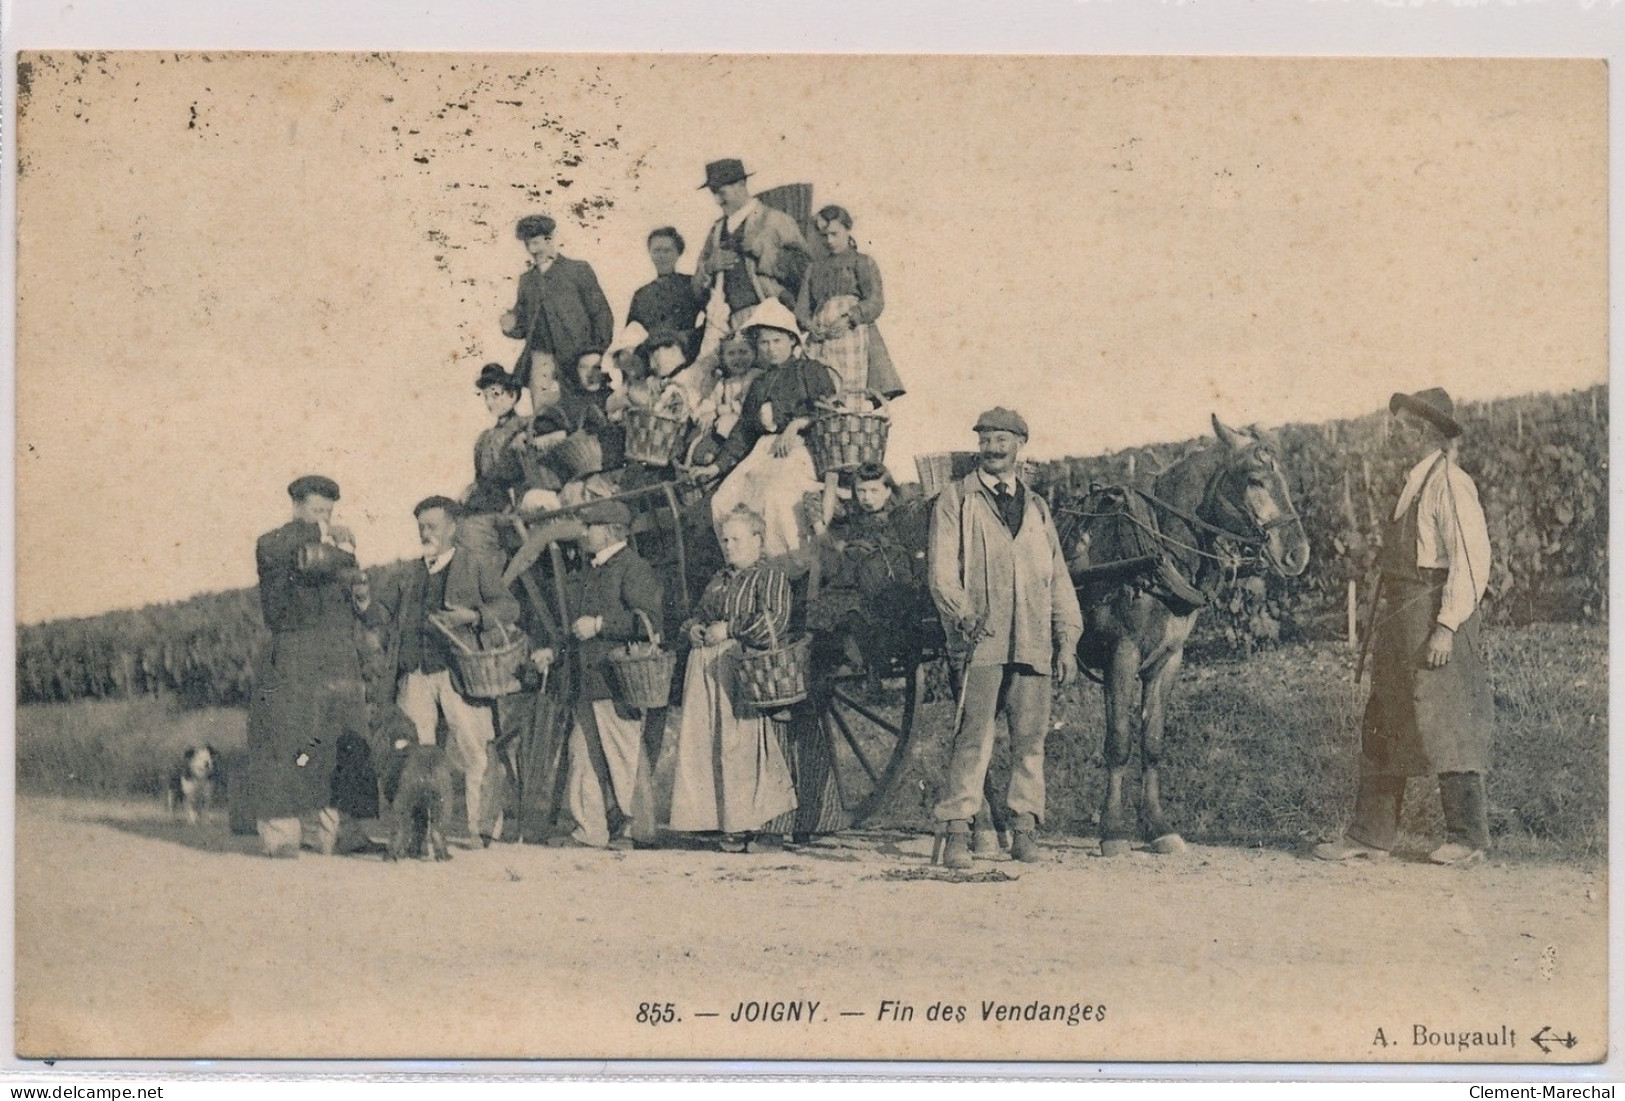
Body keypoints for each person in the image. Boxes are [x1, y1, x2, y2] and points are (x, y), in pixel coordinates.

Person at [1316, 388, 1495, 867]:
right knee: (1386, 719)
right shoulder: (1414, 481)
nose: (1394, 435)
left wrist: (1446, 626)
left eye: (1403, 428)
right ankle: (1371, 835)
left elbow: (1472, 561)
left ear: (1423, 432)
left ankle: (1468, 838)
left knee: (1448, 719)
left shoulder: (1451, 484)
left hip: (1434, 614)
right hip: (1402, 616)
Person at [928, 408, 1083, 869]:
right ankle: (958, 830)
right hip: (983, 640)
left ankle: (1024, 829)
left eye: (1001, 440)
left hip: (1033, 640)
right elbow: (941, 572)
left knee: (1030, 740)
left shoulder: (1036, 507)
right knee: (973, 736)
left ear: (1020, 445)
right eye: (985, 440)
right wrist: (962, 615)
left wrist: (1067, 639)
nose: (992, 449)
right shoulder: (957, 499)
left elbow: (1058, 578)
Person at [360, 496, 521, 845]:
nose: (425, 532)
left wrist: (474, 618)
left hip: (460, 674)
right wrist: (368, 609)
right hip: (415, 675)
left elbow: (509, 607)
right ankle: (421, 832)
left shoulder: (474, 566)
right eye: (421, 527)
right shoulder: (408, 572)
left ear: (453, 528)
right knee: (416, 759)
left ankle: (481, 828)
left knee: (476, 752)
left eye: (432, 526)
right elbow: (382, 611)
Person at [529, 499, 664, 849]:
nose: (585, 533)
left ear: (609, 531)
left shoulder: (633, 568)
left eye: (590, 527)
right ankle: (589, 831)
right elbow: (576, 629)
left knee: (624, 756)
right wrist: (554, 652)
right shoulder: (591, 571)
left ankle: (637, 831)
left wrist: (601, 625)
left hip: (616, 681)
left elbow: (649, 620)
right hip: (585, 683)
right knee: (582, 756)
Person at [247, 475, 370, 858]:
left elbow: (351, 588)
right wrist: (323, 534)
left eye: (329, 511)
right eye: (317, 510)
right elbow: (277, 550)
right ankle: (281, 835)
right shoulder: (275, 543)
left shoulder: (335, 545)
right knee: (289, 739)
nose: (326, 518)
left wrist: (361, 595)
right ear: (297, 506)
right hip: (293, 645)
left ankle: (337, 833)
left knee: (343, 738)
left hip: (337, 647)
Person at [668, 505, 798, 851]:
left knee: (738, 745)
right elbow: (697, 613)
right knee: (705, 742)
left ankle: (744, 823)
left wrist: (730, 628)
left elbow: (775, 621)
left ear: (758, 540)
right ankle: (712, 819)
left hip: (741, 666)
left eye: (736, 540)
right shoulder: (719, 578)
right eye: (725, 540)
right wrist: (694, 628)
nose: (729, 546)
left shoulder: (768, 575)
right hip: (705, 669)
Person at [706, 300, 836, 570]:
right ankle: (746, 566)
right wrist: (717, 466)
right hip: (761, 453)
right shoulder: (759, 383)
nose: (771, 349)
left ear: (792, 341)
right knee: (723, 500)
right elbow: (744, 430)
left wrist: (797, 424)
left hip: (802, 449)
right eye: (764, 343)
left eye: (777, 341)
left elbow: (831, 412)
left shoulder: (810, 370)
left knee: (774, 498)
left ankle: (789, 569)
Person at [691, 159, 810, 359]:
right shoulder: (716, 231)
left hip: (771, 320)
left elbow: (806, 270)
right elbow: (696, 289)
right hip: (731, 326)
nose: (717, 201)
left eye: (721, 193)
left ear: (741, 185)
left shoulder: (774, 221)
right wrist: (709, 268)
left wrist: (763, 252)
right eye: (714, 194)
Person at [499, 214, 615, 415]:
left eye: (536, 241)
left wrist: (597, 351)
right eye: (528, 243)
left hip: (579, 357)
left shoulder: (578, 270)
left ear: (550, 238)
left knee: (588, 415)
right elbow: (524, 325)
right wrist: (510, 325)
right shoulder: (527, 280)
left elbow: (601, 313)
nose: (532, 249)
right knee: (546, 418)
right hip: (541, 362)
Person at [794, 205, 904, 400]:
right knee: (822, 382)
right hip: (821, 338)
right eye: (823, 235)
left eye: (834, 234)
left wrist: (849, 319)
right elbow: (802, 308)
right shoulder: (814, 268)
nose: (829, 241)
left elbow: (876, 300)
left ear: (847, 229)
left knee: (851, 386)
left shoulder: (861, 262)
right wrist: (810, 326)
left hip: (851, 333)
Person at [686, 329, 761, 471]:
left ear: (754, 354)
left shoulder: (755, 377)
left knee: (726, 423)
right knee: (697, 432)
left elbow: (747, 405)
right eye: (731, 354)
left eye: (743, 352)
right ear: (723, 358)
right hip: (722, 425)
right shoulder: (724, 382)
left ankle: (716, 459)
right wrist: (706, 413)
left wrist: (720, 411)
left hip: (743, 428)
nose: (738, 358)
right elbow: (710, 402)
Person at [627, 226, 706, 359]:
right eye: (657, 251)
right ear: (650, 253)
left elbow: (714, 317)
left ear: (678, 253)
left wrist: (688, 338)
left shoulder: (691, 284)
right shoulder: (641, 294)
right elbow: (631, 333)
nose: (662, 256)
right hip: (651, 358)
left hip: (686, 355)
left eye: (667, 251)